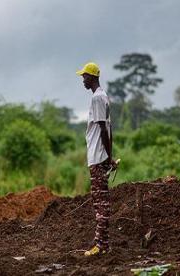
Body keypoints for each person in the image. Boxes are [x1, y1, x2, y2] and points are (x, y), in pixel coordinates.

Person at [76, 62, 117, 256]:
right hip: (100, 157)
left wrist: (107, 158)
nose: (83, 80)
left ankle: (102, 245)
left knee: (101, 203)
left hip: (98, 157)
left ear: (92, 77)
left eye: (84, 77)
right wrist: (110, 156)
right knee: (99, 200)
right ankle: (102, 241)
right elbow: (110, 130)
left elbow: (102, 129)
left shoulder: (97, 98)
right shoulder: (103, 97)